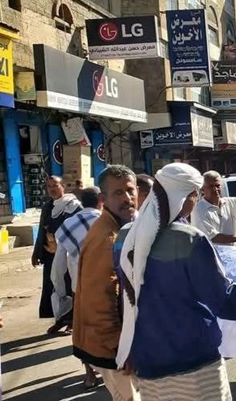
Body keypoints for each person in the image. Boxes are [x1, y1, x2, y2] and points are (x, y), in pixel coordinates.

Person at [114, 163, 236, 400]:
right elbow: (228, 301)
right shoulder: (189, 239)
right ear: (187, 195)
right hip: (196, 367)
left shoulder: (125, 236)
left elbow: (125, 296)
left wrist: (128, 346)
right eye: (195, 194)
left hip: (149, 365)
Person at [72, 165, 139, 401]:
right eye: (118, 193)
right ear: (103, 199)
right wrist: (120, 348)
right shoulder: (107, 237)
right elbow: (99, 300)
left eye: (130, 191)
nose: (127, 198)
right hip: (110, 346)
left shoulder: (121, 227)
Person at [50, 186, 102, 389]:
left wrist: (61, 293)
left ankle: (90, 374)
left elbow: (58, 264)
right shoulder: (108, 222)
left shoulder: (68, 225)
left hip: (79, 288)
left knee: (84, 333)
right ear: (101, 200)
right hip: (108, 285)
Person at [33, 176, 83, 319]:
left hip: (68, 254)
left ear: (63, 186)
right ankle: (58, 317)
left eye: (55, 185)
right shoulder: (47, 207)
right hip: (50, 254)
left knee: (69, 285)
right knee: (52, 285)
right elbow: (42, 230)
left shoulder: (73, 206)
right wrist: (37, 253)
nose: (52, 189)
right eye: (49, 186)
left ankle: (72, 318)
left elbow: (79, 229)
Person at [191, 171, 236, 247]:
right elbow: (213, 237)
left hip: (233, 252)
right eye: (211, 186)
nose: (215, 189)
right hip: (212, 254)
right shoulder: (199, 209)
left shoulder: (231, 203)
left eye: (217, 185)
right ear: (203, 189)